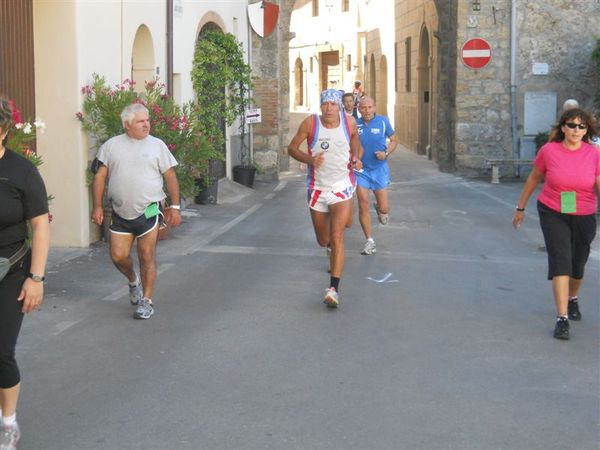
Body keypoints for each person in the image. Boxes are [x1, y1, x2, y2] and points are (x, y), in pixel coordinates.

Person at [513, 108, 600, 340]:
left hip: (584, 211)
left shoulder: (594, 154)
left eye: (581, 126)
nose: (576, 130)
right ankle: (562, 318)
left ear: (587, 130)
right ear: (563, 128)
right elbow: (533, 178)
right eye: (571, 125)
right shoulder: (549, 151)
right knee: (561, 260)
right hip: (553, 210)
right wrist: (520, 208)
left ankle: (573, 299)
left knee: (578, 263)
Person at [91, 103, 181, 320]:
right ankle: (133, 281)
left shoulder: (157, 145)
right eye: (141, 121)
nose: (146, 125)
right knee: (118, 256)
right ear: (127, 124)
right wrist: (97, 206)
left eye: (148, 121)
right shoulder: (111, 146)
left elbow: (170, 176)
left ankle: (146, 301)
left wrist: (175, 207)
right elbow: (100, 177)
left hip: (150, 209)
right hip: (121, 212)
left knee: (146, 254)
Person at [0, 97, 50, 450]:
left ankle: (8, 423)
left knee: (1, 351)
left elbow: (40, 226)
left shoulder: (22, 172)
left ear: (2, 131)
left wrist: (36, 278)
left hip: (11, 271)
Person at [287, 89, 362, 308]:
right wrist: (309, 159)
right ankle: (330, 243)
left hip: (342, 187)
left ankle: (333, 289)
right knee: (324, 240)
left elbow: (355, 140)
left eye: (333, 104)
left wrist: (356, 156)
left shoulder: (349, 124)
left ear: (339, 106)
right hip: (317, 188)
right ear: (321, 106)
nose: (328, 108)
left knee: (337, 235)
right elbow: (291, 148)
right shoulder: (310, 124)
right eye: (325, 104)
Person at [355, 96, 397, 255]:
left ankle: (381, 209)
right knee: (363, 202)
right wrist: (354, 159)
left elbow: (394, 140)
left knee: (385, 210)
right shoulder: (354, 124)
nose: (366, 111)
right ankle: (369, 241)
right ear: (359, 109)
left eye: (369, 107)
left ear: (374, 107)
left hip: (379, 170)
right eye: (363, 108)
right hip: (361, 171)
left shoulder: (383, 121)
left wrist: (386, 153)